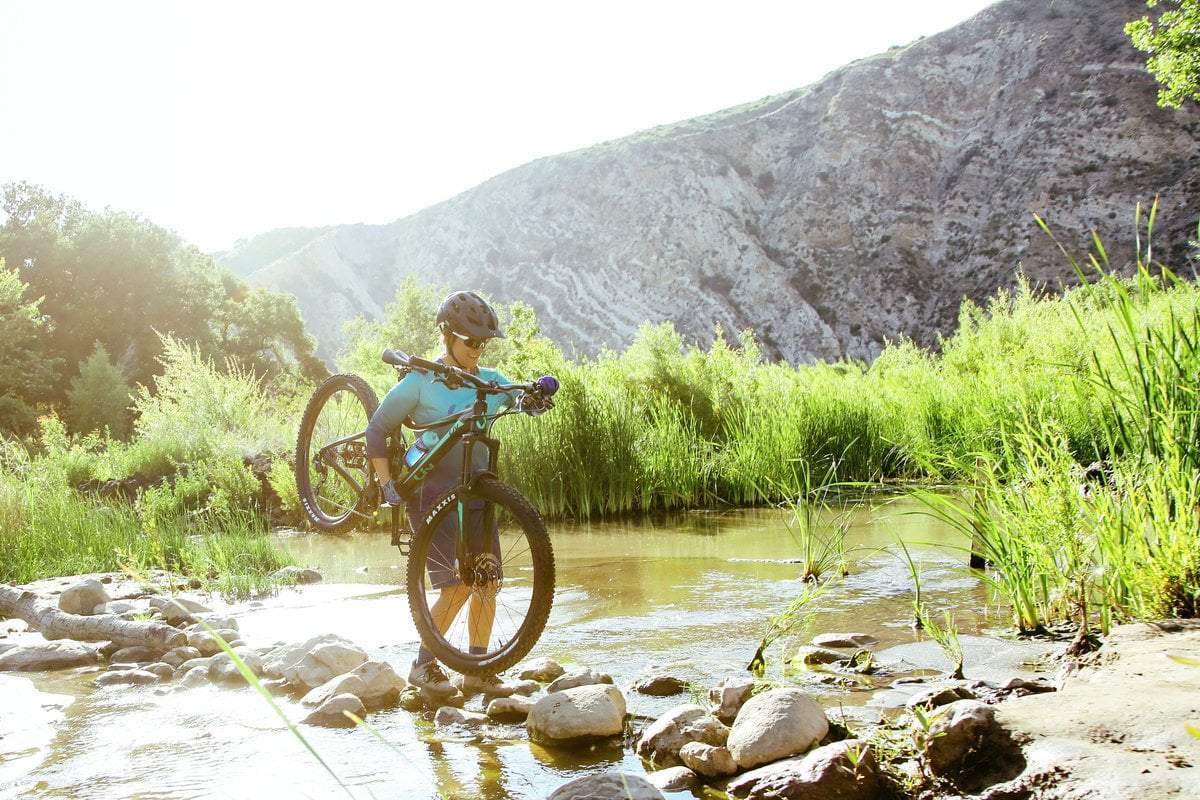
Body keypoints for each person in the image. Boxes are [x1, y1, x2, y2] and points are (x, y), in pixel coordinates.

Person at [364, 290, 519, 697]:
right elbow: (377, 431)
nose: (478, 350)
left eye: (484, 343)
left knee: (486, 580)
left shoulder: (489, 381)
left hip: (477, 487)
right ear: (448, 336)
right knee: (456, 586)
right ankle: (423, 666)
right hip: (430, 489)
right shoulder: (420, 382)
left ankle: (478, 669)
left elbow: (515, 394)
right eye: (471, 341)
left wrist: (535, 394)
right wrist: (385, 485)